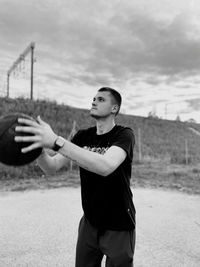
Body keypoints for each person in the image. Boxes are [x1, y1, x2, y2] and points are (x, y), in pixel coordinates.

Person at [15, 87, 136, 267]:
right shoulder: (82, 136)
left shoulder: (124, 134)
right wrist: (38, 151)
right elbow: (52, 166)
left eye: (101, 99)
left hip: (118, 223)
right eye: (94, 98)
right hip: (90, 221)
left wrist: (57, 141)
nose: (94, 101)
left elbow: (106, 166)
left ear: (114, 108)